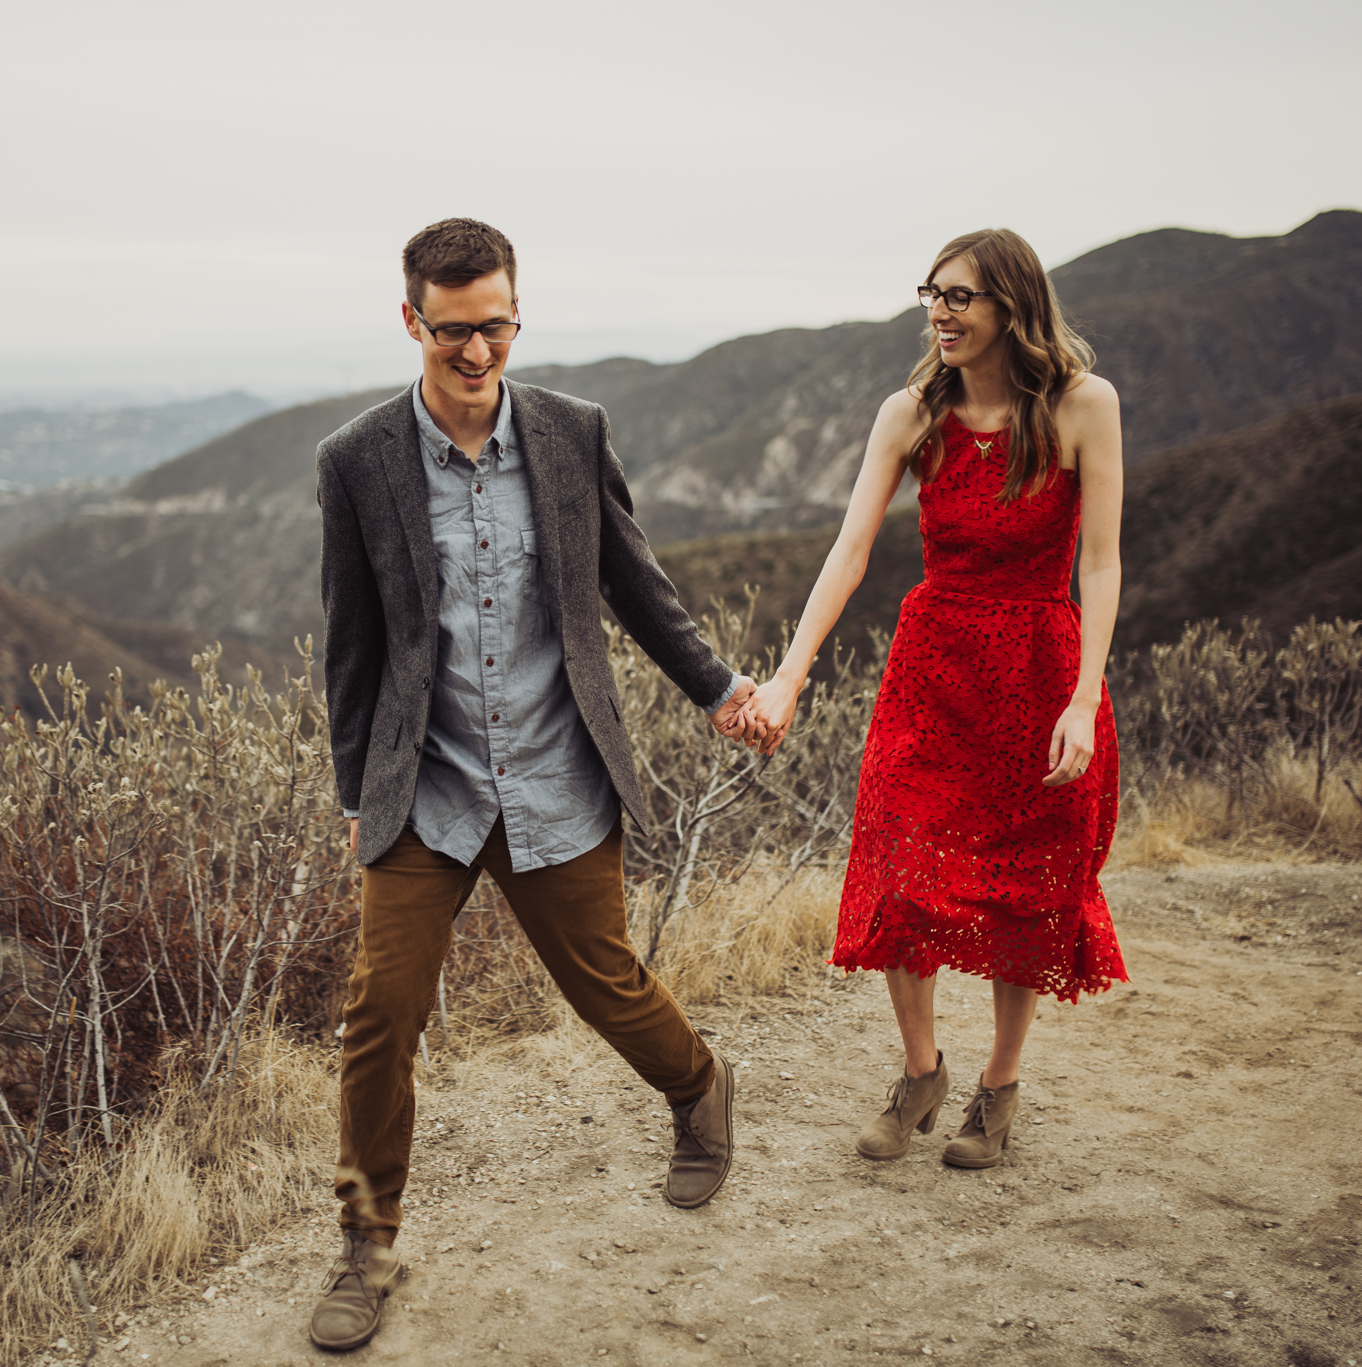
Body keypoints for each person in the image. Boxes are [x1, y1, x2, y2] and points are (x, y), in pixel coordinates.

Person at [309, 217, 757, 1351]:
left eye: (493, 326)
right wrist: (352, 781)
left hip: (556, 768)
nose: (474, 352)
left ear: (518, 313)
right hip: (427, 783)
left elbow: (633, 584)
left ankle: (700, 1087)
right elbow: (349, 641)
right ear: (409, 318)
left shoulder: (569, 434)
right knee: (378, 1014)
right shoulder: (356, 460)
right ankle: (366, 1245)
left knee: (603, 980)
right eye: (451, 330)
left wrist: (716, 688)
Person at [740, 227, 1129, 1171]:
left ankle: (998, 1088)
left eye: (959, 297)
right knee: (901, 870)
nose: (939, 312)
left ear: (1012, 307)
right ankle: (922, 1073)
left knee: (1022, 888)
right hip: (932, 668)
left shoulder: (1084, 405)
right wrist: (791, 672)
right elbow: (850, 549)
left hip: (1039, 666)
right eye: (932, 294)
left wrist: (1083, 699)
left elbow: (1105, 561)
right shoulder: (912, 412)